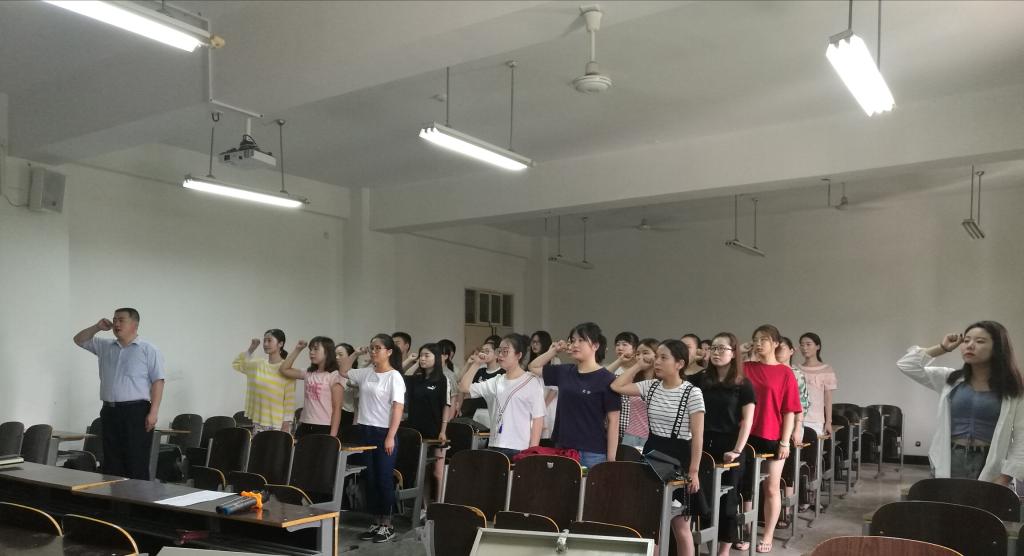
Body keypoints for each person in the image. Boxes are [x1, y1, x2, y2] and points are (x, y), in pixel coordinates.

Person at [897, 321, 1024, 483]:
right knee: (947, 500)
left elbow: (1021, 436)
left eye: (980, 341)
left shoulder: (1013, 388)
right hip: (950, 458)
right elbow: (907, 365)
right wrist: (942, 348)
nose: (969, 345)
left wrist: (1006, 477)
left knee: (984, 500)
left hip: (990, 462)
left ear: (998, 348)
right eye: (966, 340)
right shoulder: (950, 379)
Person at [611, 339, 705, 556]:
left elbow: (698, 436)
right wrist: (638, 365)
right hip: (652, 453)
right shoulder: (651, 386)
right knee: (650, 520)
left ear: (679, 363)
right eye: (657, 357)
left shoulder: (692, 392)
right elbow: (617, 386)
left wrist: (694, 471)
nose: (658, 362)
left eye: (664, 358)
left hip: (679, 458)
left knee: (680, 524)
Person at [73, 308, 165, 480]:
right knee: (111, 462)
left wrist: (153, 412)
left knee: (135, 461)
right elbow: (79, 340)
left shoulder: (148, 349)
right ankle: (115, 497)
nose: (116, 324)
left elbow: (158, 381)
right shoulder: (105, 346)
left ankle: (138, 497)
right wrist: (97, 327)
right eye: (114, 319)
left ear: (134, 325)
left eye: (121, 320)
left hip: (136, 411)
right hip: (110, 410)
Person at [690, 332, 754, 555]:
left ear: (733, 353)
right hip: (702, 444)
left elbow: (747, 421)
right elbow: (679, 375)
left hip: (730, 446)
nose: (716, 353)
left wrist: (737, 450)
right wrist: (694, 356)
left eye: (722, 349)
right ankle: (706, 546)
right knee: (702, 498)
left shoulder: (742, 384)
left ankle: (724, 550)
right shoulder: (700, 380)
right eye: (713, 348)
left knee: (728, 500)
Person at [741, 325, 801, 553]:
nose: (759, 343)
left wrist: (785, 441)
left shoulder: (785, 373)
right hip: (746, 434)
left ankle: (767, 535)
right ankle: (745, 531)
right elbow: (723, 372)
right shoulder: (746, 367)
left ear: (776, 343)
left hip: (772, 434)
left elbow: (789, 411)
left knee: (771, 487)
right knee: (745, 487)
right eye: (755, 339)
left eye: (764, 339)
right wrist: (742, 352)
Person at [529, 322, 620, 468]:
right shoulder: (564, 371)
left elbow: (613, 421)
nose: (575, 344)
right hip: (563, 448)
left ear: (595, 346)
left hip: (592, 452)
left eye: (581, 340)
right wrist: (554, 351)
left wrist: (611, 459)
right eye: (573, 340)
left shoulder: (607, 379)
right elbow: (533, 367)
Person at [344, 334, 406, 543]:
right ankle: (376, 521)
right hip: (365, 430)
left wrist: (390, 436)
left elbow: (397, 408)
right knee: (369, 478)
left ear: (389, 352)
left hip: (384, 432)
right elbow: (343, 370)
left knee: (383, 478)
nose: (373, 351)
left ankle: (387, 524)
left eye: (378, 348)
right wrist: (355, 353)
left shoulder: (394, 376)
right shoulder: (366, 373)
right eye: (371, 348)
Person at [460, 334, 545, 458]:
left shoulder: (532, 381)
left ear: (518, 355)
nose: (500, 355)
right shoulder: (496, 381)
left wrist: (532, 451)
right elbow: (464, 387)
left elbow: (538, 418)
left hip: (520, 447)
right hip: (494, 445)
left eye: (505, 351)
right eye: (499, 351)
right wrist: (476, 364)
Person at [403, 343, 451, 509]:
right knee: (421, 472)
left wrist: (443, 430)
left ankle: (439, 506)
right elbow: (403, 375)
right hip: (416, 430)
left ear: (436, 358)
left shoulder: (443, 380)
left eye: (427, 356)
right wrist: (412, 361)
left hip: (435, 431)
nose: (422, 359)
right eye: (421, 355)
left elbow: (446, 406)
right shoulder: (416, 379)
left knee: (437, 472)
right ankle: (424, 507)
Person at [232, 329, 297, 432]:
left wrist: (286, 424)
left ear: (280, 344)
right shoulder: (257, 365)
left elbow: (289, 400)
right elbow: (237, 364)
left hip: (278, 425)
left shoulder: (286, 369)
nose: (265, 344)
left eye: (269, 340)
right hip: (258, 423)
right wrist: (251, 348)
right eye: (264, 341)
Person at [279, 337, 343, 438]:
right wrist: (298, 349)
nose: (311, 352)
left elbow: (337, 408)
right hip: (305, 424)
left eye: (316, 349)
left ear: (327, 352)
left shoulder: (334, 376)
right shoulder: (308, 373)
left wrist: (332, 436)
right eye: (310, 349)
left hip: (324, 426)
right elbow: (284, 369)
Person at [775, 337, 811, 516]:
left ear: (791, 351)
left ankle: (786, 510)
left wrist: (797, 428)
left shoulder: (796, 374)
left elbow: (802, 405)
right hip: (774, 425)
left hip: (791, 425)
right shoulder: (770, 370)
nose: (778, 351)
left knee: (788, 468)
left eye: (781, 348)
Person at [608, 336, 656, 450]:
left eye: (645, 353)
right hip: (630, 436)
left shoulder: (661, 381)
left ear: (657, 355)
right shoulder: (634, 377)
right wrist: (637, 365)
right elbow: (609, 383)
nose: (640, 357)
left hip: (652, 437)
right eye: (638, 354)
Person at [798, 333, 838, 437]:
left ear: (818, 346)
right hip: (796, 418)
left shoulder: (826, 369)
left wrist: (828, 422)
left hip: (816, 420)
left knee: (814, 446)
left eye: (808, 344)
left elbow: (828, 398)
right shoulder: (796, 369)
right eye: (802, 345)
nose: (804, 348)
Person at [459, 339, 503, 422]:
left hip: (491, 414)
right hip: (475, 412)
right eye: (482, 351)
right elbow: (464, 386)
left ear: (496, 354)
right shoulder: (480, 371)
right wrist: (470, 363)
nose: (483, 354)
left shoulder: (502, 373)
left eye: (487, 351)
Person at [530, 330, 561, 440]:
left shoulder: (555, 361)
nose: (534, 345)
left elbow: (554, 389)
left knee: (547, 437)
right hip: (535, 404)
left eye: (537, 342)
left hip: (548, 404)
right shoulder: (532, 362)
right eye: (533, 342)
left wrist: (542, 407)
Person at [336, 342, 358, 428]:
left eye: (340, 354)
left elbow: (356, 405)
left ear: (350, 356)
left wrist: (354, 424)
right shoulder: (332, 373)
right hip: (330, 413)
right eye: (335, 355)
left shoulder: (355, 375)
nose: (336, 357)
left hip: (347, 415)